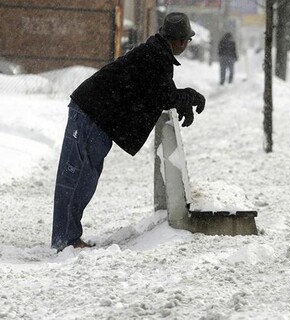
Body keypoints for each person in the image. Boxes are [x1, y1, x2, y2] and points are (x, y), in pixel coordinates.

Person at [51, 12, 206, 251]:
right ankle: (65, 239)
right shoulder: (155, 56)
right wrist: (189, 97)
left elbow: (161, 92)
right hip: (90, 114)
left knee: (84, 175)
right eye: (187, 40)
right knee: (77, 176)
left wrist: (183, 101)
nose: (186, 45)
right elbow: (165, 94)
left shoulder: (156, 53)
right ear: (180, 41)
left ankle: (68, 237)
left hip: (96, 115)